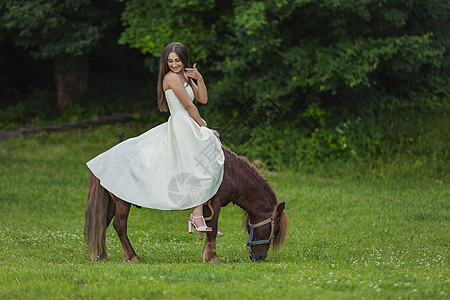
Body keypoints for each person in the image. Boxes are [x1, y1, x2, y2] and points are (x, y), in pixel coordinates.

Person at [86, 42, 224, 234]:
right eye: (170, 61)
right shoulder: (171, 78)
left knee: (204, 163)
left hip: (189, 124)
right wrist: (205, 128)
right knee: (200, 159)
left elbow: (202, 99)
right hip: (182, 124)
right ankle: (197, 214)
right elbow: (190, 107)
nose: (174, 64)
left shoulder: (185, 75)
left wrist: (199, 79)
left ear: (184, 59)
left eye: (177, 60)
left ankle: (198, 213)